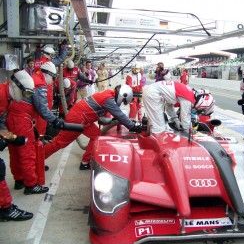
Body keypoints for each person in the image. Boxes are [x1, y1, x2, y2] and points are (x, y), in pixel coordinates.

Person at [44, 85, 142, 170]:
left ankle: (85, 162)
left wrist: (125, 122)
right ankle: (37, 161)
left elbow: (113, 114)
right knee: (59, 143)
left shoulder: (108, 94)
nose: (122, 102)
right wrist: (132, 126)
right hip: (78, 119)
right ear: (123, 94)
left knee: (96, 137)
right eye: (124, 100)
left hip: (83, 118)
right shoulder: (108, 99)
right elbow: (119, 115)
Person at [7, 62, 63, 195]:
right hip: (22, 120)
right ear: (48, 74)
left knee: (15, 151)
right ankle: (31, 185)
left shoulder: (32, 78)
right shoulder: (40, 84)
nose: (52, 80)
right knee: (28, 153)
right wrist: (55, 121)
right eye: (53, 77)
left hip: (12, 118)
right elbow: (42, 108)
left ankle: (19, 180)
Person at [0, 70, 35, 221]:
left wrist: (12, 137)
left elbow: (1, 123)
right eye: (24, 93)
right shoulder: (1, 96)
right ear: (15, 86)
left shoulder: (6, 97)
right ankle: (5, 209)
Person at [142, 80, 215, 133]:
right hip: (153, 94)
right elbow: (185, 121)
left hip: (152, 91)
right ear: (202, 103)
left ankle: (150, 137)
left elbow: (168, 107)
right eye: (201, 110)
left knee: (154, 123)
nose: (198, 111)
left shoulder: (187, 93)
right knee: (159, 128)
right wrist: (191, 133)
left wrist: (176, 120)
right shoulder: (188, 99)